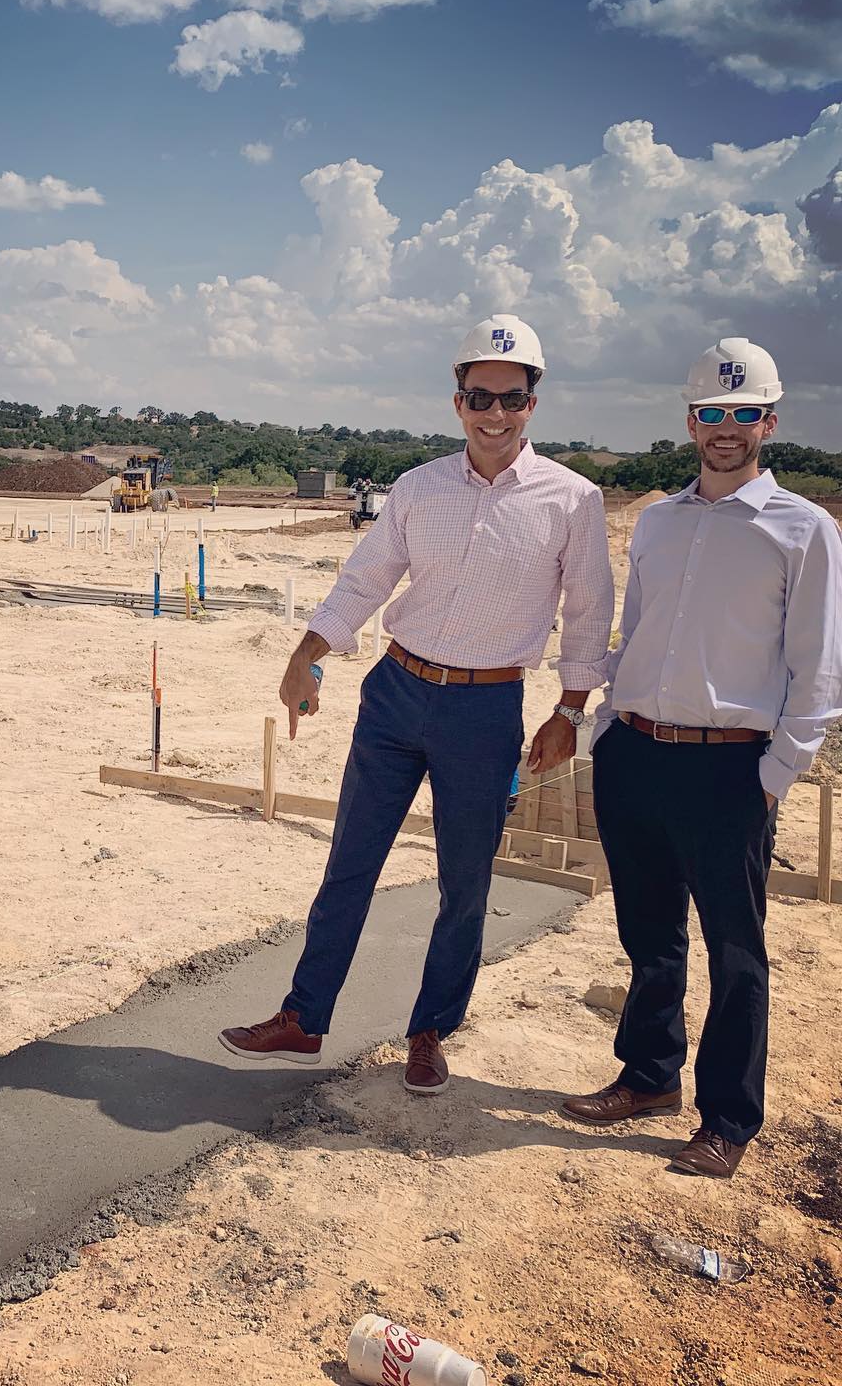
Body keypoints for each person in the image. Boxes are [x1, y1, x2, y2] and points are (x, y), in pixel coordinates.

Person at [220, 314, 615, 1092]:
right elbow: (365, 580)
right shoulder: (418, 487)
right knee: (349, 864)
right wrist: (305, 654)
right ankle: (303, 1018)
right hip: (395, 695)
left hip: (485, 711)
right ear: (458, 402)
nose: (494, 414)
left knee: (463, 884)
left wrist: (570, 711)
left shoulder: (573, 500)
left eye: (511, 399)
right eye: (480, 398)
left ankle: (430, 1032)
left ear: (533, 404)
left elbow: (588, 614)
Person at [561, 338, 842, 1179]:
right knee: (650, 936)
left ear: (769, 422)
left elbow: (818, 671)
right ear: (690, 421)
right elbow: (638, 630)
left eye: (744, 412)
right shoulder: (658, 520)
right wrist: (607, 724)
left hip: (731, 769)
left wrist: (773, 777)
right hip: (637, 752)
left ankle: (727, 1119)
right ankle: (649, 1077)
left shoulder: (805, 530)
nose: (727, 427)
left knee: (735, 952)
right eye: (712, 412)